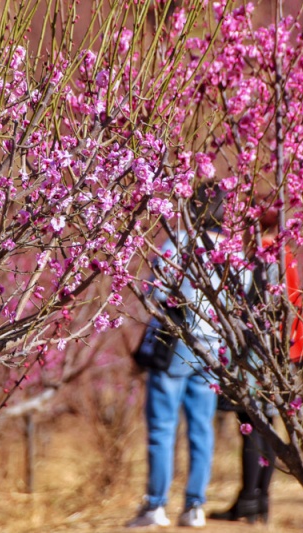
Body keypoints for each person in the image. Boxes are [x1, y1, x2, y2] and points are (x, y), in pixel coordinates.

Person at [128, 188, 253, 529]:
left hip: (175, 346)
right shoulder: (235, 251)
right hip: (214, 350)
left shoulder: (178, 242)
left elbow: (156, 290)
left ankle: (156, 505)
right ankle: (194, 506)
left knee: (163, 428)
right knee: (202, 429)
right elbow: (241, 300)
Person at [210, 207, 303, 524]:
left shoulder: (266, 257)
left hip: (261, 351)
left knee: (251, 423)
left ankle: (250, 499)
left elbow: (256, 309)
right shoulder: (286, 255)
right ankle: (257, 500)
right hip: (286, 351)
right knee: (266, 423)